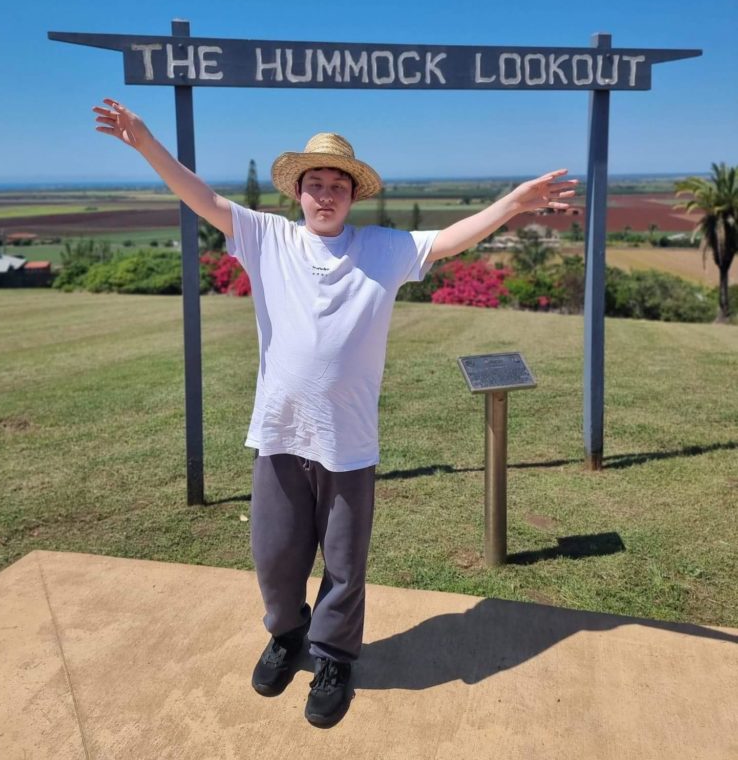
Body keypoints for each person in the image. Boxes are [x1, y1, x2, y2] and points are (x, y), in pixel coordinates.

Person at [93, 98, 577, 727]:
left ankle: (333, 658)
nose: (325, 195)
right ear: (297, 191)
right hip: (279, 432)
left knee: (344, 565)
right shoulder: (266, 238)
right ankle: (288, 635)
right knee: (275, 556)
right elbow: (202, 198)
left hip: (348, 442)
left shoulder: (383, 249)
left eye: (337, 186)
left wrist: (513, 203)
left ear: (353, 196)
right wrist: (145, 143)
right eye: (314, 184)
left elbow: (456, 239)